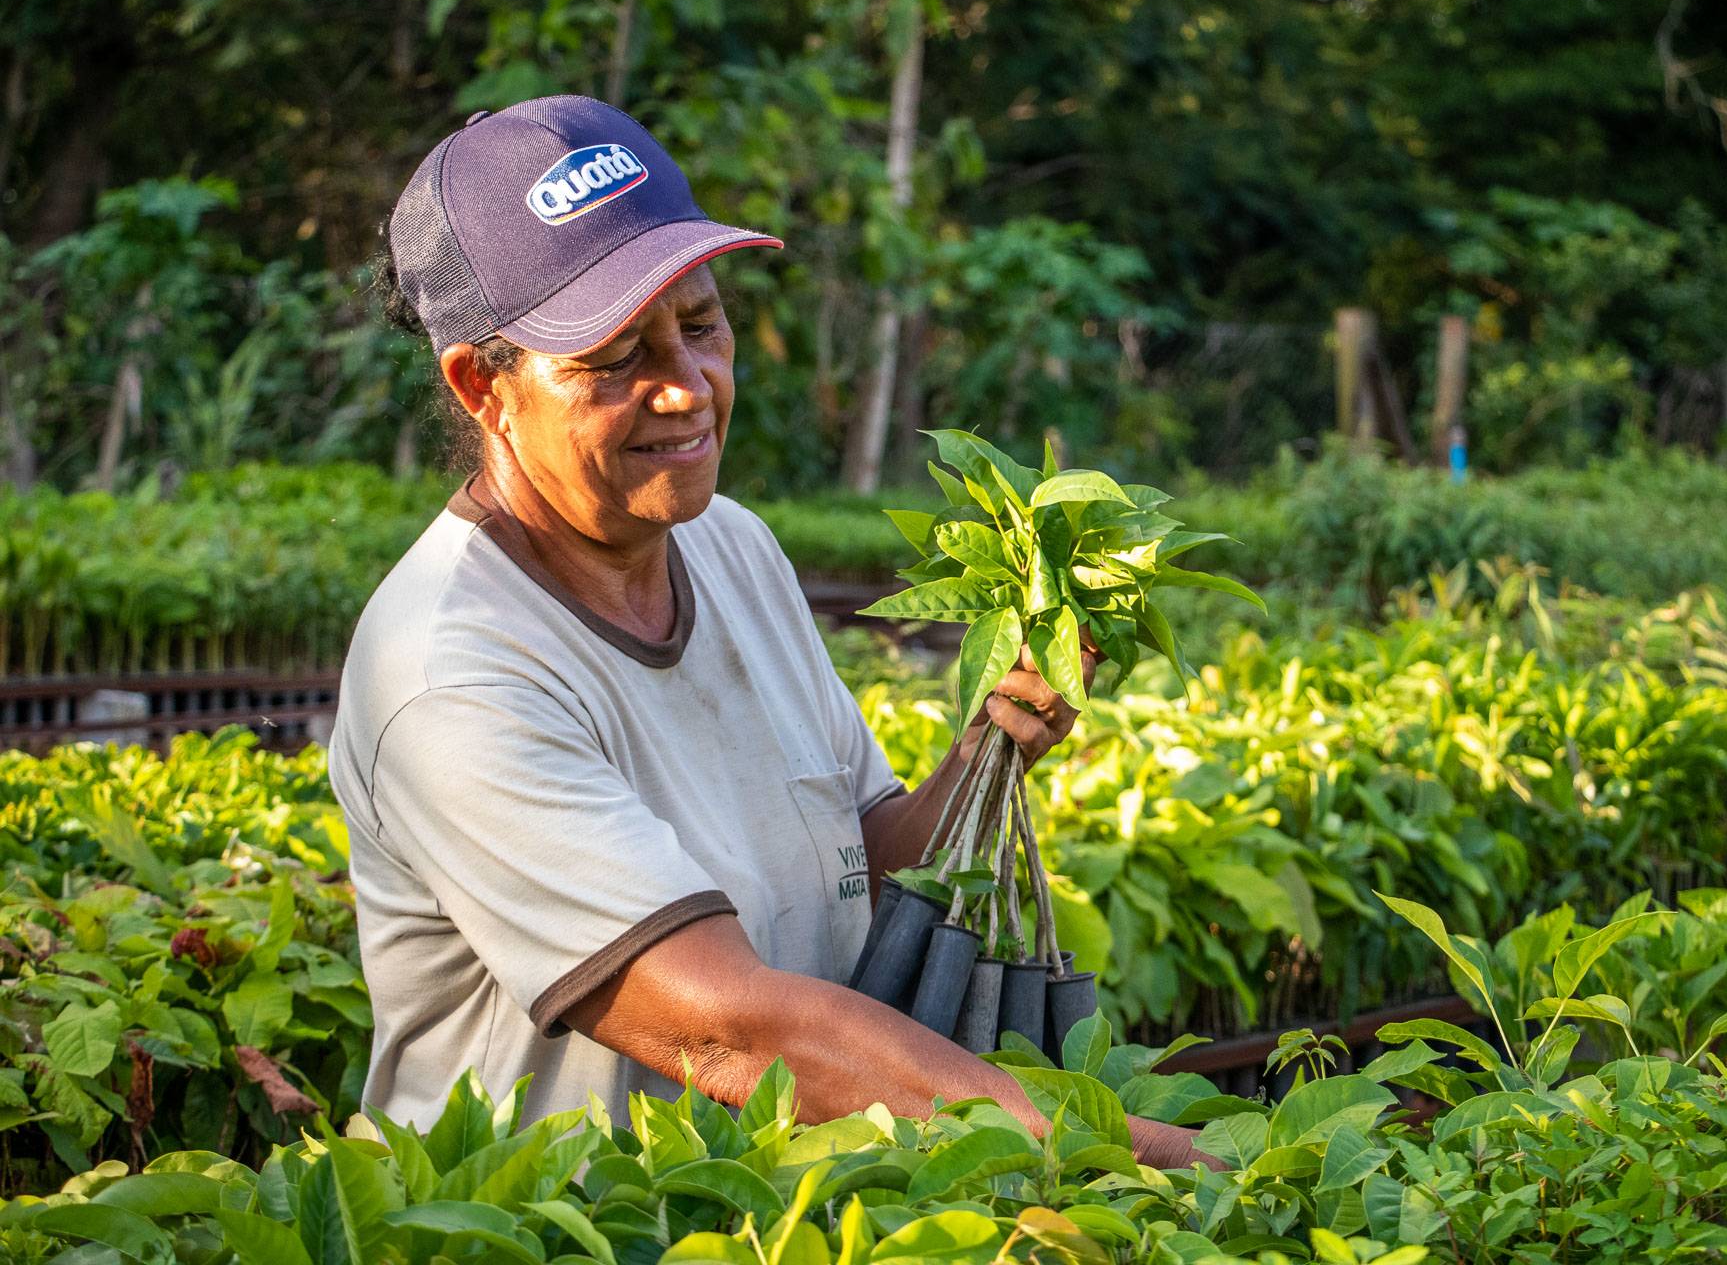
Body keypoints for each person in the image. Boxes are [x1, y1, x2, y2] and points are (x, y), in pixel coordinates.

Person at [329, 94, 1207, 1167]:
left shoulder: (731, 547)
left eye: (700, 326)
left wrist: (988, 751)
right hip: (559, 1224)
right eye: (617, 356)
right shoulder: (452, 670)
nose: (686, 388)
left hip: (768, 1205)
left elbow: (862, 871)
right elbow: (732, 1031)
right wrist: (1156, 1159)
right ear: (482, 386)